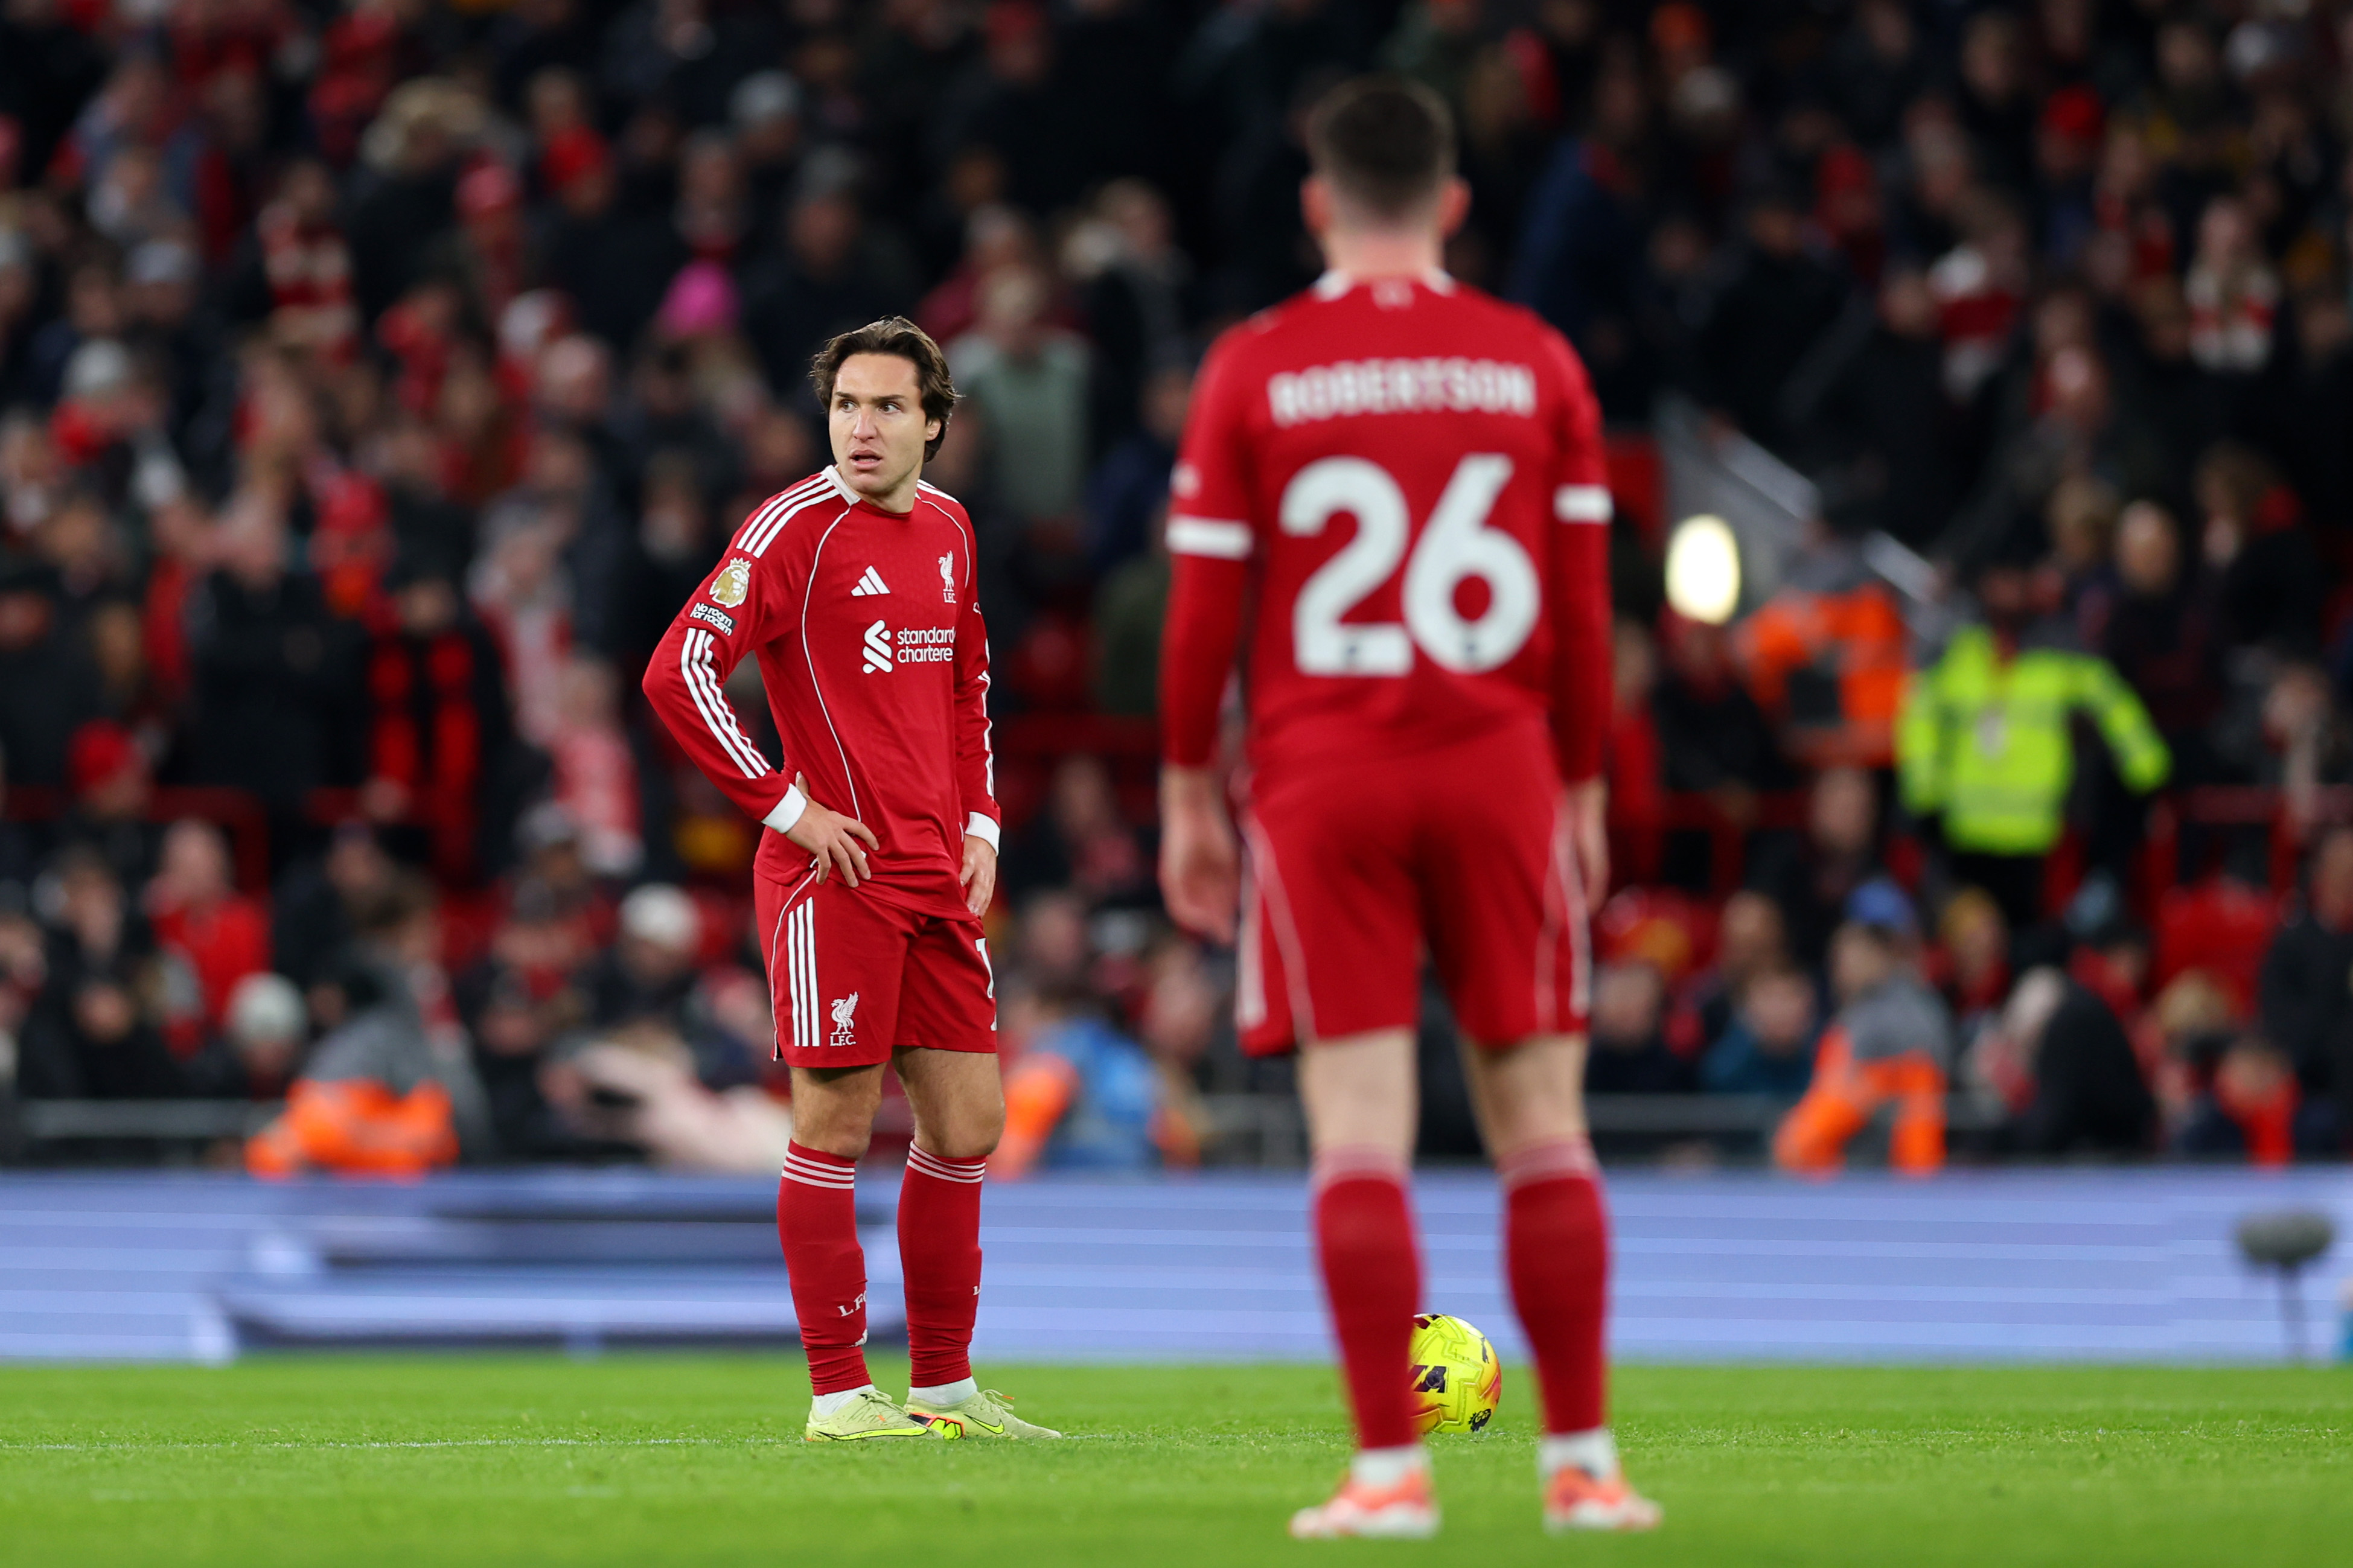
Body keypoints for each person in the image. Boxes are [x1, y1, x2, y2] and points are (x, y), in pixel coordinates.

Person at [1156, 77, 1657, 1538]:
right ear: (1451, 204)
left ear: (1317, 203)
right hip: (1498, 760)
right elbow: (1581, 610)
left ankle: (1389, 1475)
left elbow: (1200, 615)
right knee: (1542, 1124)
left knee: (1358, 1133)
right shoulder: (1531, 361)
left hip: (1325, 778)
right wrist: (1581, 786)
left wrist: (1187, 792)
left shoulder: (1253, 367)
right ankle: (1582, 1468)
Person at [640, 317, 1055, 1444]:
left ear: (934, 423)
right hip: (837, 872)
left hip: (934, 870)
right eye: (845, 406)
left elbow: (968, 679)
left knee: (968, 1123)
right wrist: (787, 807)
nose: (861, 428)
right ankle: (837, 1393)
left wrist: (981, 822)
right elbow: (679, 671)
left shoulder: (952, 528)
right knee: (832, 1123)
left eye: (886, 407)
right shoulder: (793, 528)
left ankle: (944, 1385)